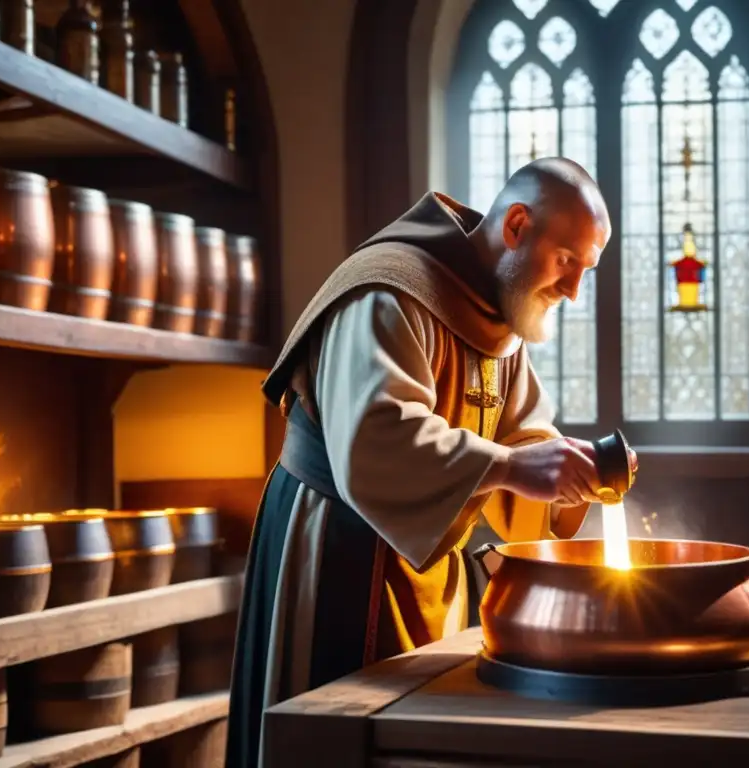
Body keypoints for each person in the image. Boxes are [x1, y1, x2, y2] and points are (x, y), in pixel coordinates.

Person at [226, 157, 612, 768]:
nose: (573, 290)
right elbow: (377, 441)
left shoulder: (500, 317)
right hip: (335, 550)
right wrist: (515, 470)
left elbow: (526, 437)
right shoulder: (390, 289)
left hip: (425, 564)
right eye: (568, 262)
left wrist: (577, 474)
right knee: (327, 736)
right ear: (516, 225)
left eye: (584, 271)